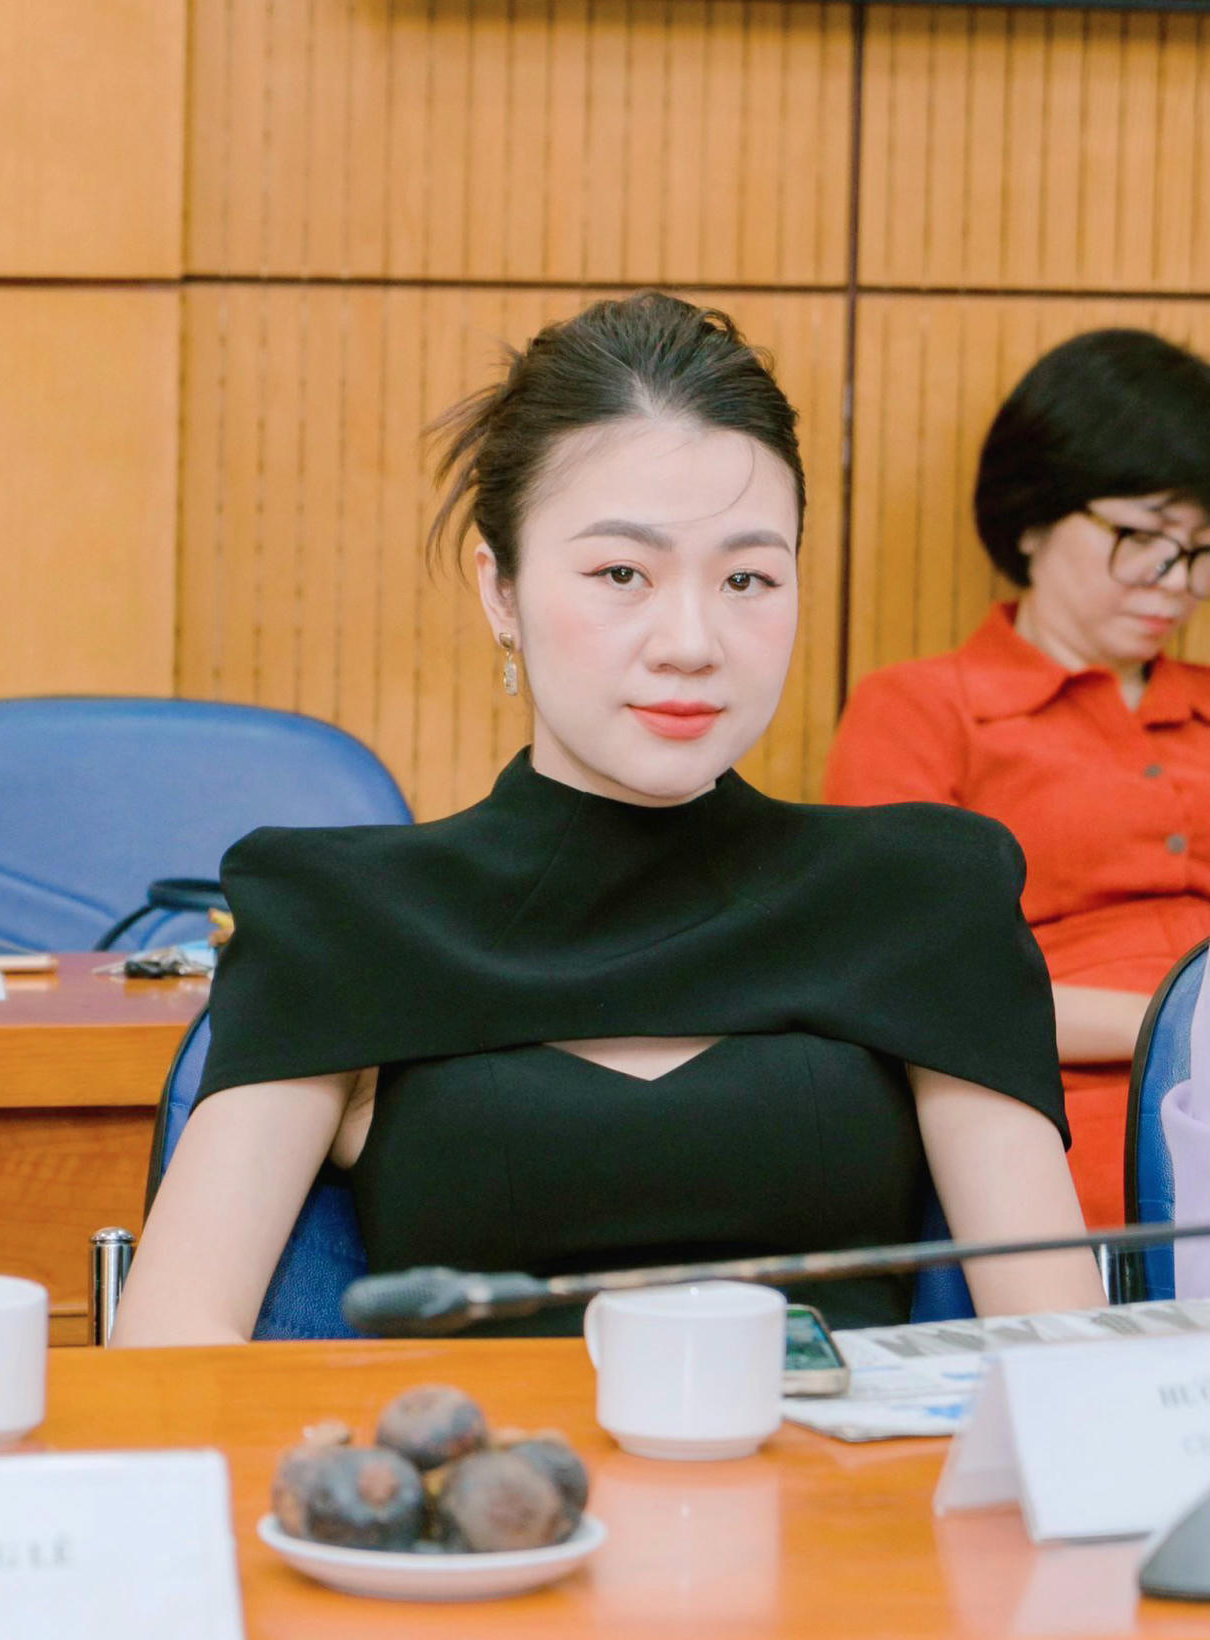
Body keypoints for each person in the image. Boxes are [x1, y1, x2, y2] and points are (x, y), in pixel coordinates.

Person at [111, 292, 1102, 1348]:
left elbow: (1059, 1351)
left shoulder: (922, 895)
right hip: (472, 1456)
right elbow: (174, 1346)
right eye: (621, 573)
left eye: (748, 577)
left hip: (846, 1454)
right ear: (500, 590)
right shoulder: (342, 916)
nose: (691, 642)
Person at [825, 329, 1210, 1229]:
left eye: (1200, 548)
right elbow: (906, 982)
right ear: (1035, 519)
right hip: (1069, 1130)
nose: (1175, 582)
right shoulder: (924, 708)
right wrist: (1173, 1028)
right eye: (1143, 537)